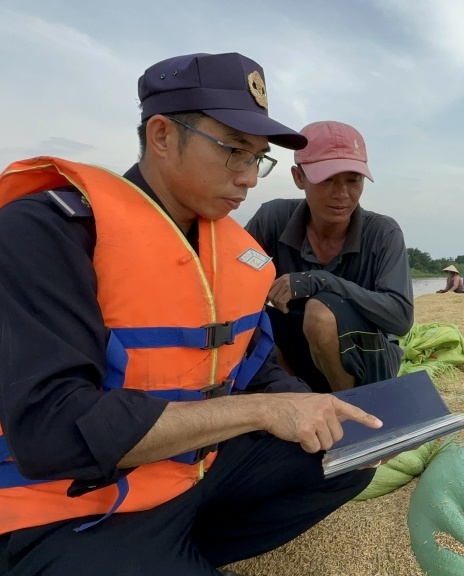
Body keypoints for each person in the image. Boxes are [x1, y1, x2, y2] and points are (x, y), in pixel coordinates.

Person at [0, 52, 384, 575]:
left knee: (350, 454)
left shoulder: (234, 252)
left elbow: (255, 368)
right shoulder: (48, 232)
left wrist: (319, 409)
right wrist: (261, 412)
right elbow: (53, 431)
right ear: (162, 135)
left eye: (258, 158)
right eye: (234, 152)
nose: (249, 177)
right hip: (69, 505)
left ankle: (182, 552)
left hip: (189, 475)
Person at [245, 120, 413, 394]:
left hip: (366, 362)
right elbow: (232, 283)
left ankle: (348, 409)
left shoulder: (384, 232)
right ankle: (296, 398)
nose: (342, 195)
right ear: (299, 177)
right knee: (250, 319)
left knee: (321, 314)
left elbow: (401, 319)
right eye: (327, 180)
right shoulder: (271, 220)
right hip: (296, 357)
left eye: (353, 180)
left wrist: (320, 281)